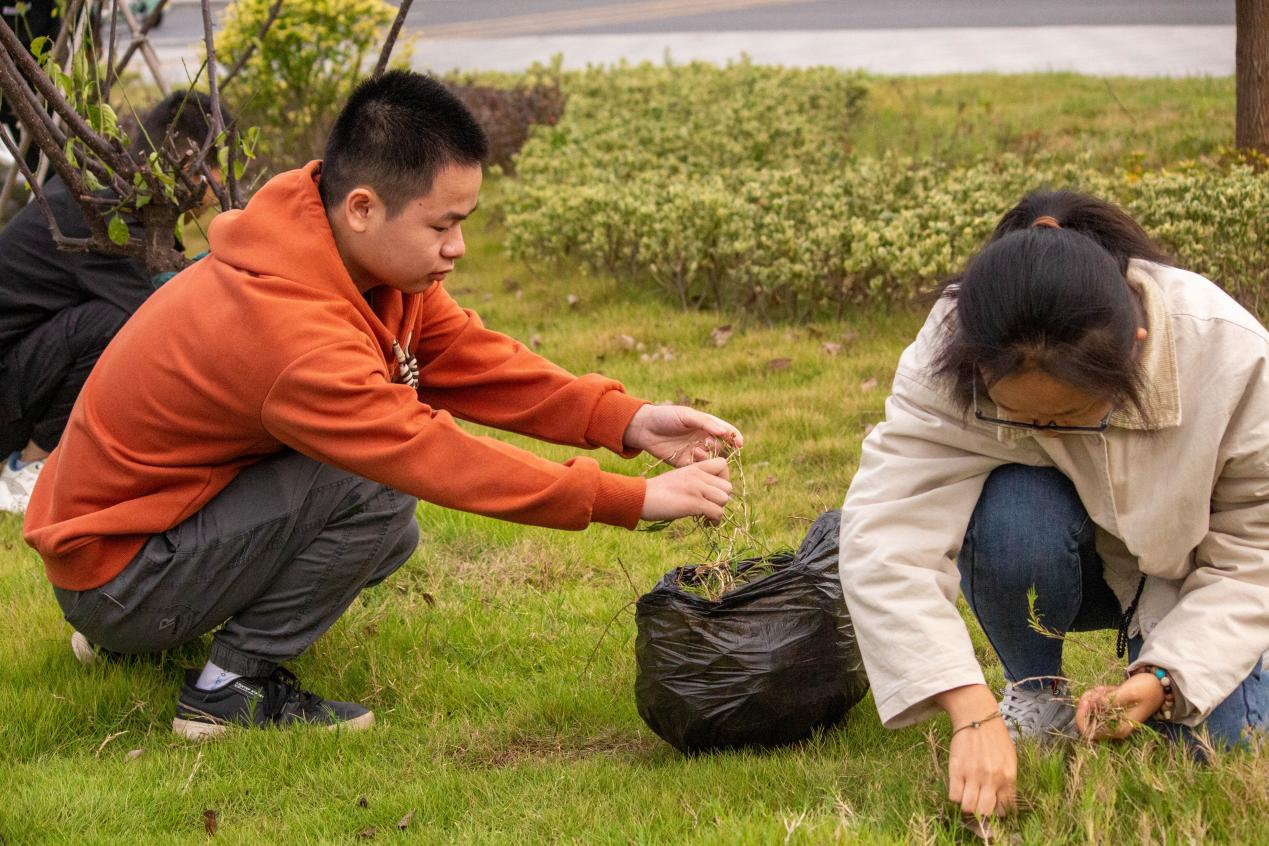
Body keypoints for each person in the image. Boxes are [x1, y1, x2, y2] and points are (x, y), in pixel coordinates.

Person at [23, 70, 742, 739]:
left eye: (463, 221)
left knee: (389, 531)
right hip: (117, 572)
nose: (459, 247)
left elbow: (472, 359)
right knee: (373, 488)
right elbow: (429, 454)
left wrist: (628, 420)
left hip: (119, 544)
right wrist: (629, 500)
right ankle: (226, 691)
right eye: (441, 226)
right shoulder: (287, 330)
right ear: (363, 207)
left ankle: (142, 631)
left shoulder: (345, 254)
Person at [839, 190, 1269, 819]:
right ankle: (1035, 689)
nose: (1045, 429)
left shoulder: (1230, 355)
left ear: (1134, 348)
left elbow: (1254, 553)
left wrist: (1165, 678)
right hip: (1052, 551)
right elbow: (885, 533)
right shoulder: (954, 346)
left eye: (1068, 415)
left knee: (1217, 748)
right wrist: (969, 708)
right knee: (1014, 507)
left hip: (1190, 571)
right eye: (1024, 418)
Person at [0, 90, 227, 513]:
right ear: (191, 167)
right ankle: (30, 467)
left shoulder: (112, 192)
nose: (223, 183)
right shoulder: (108, 218)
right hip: (6, 392)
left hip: (17, 368)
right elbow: (170, 320)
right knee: (118, 324)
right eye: (219, 169)